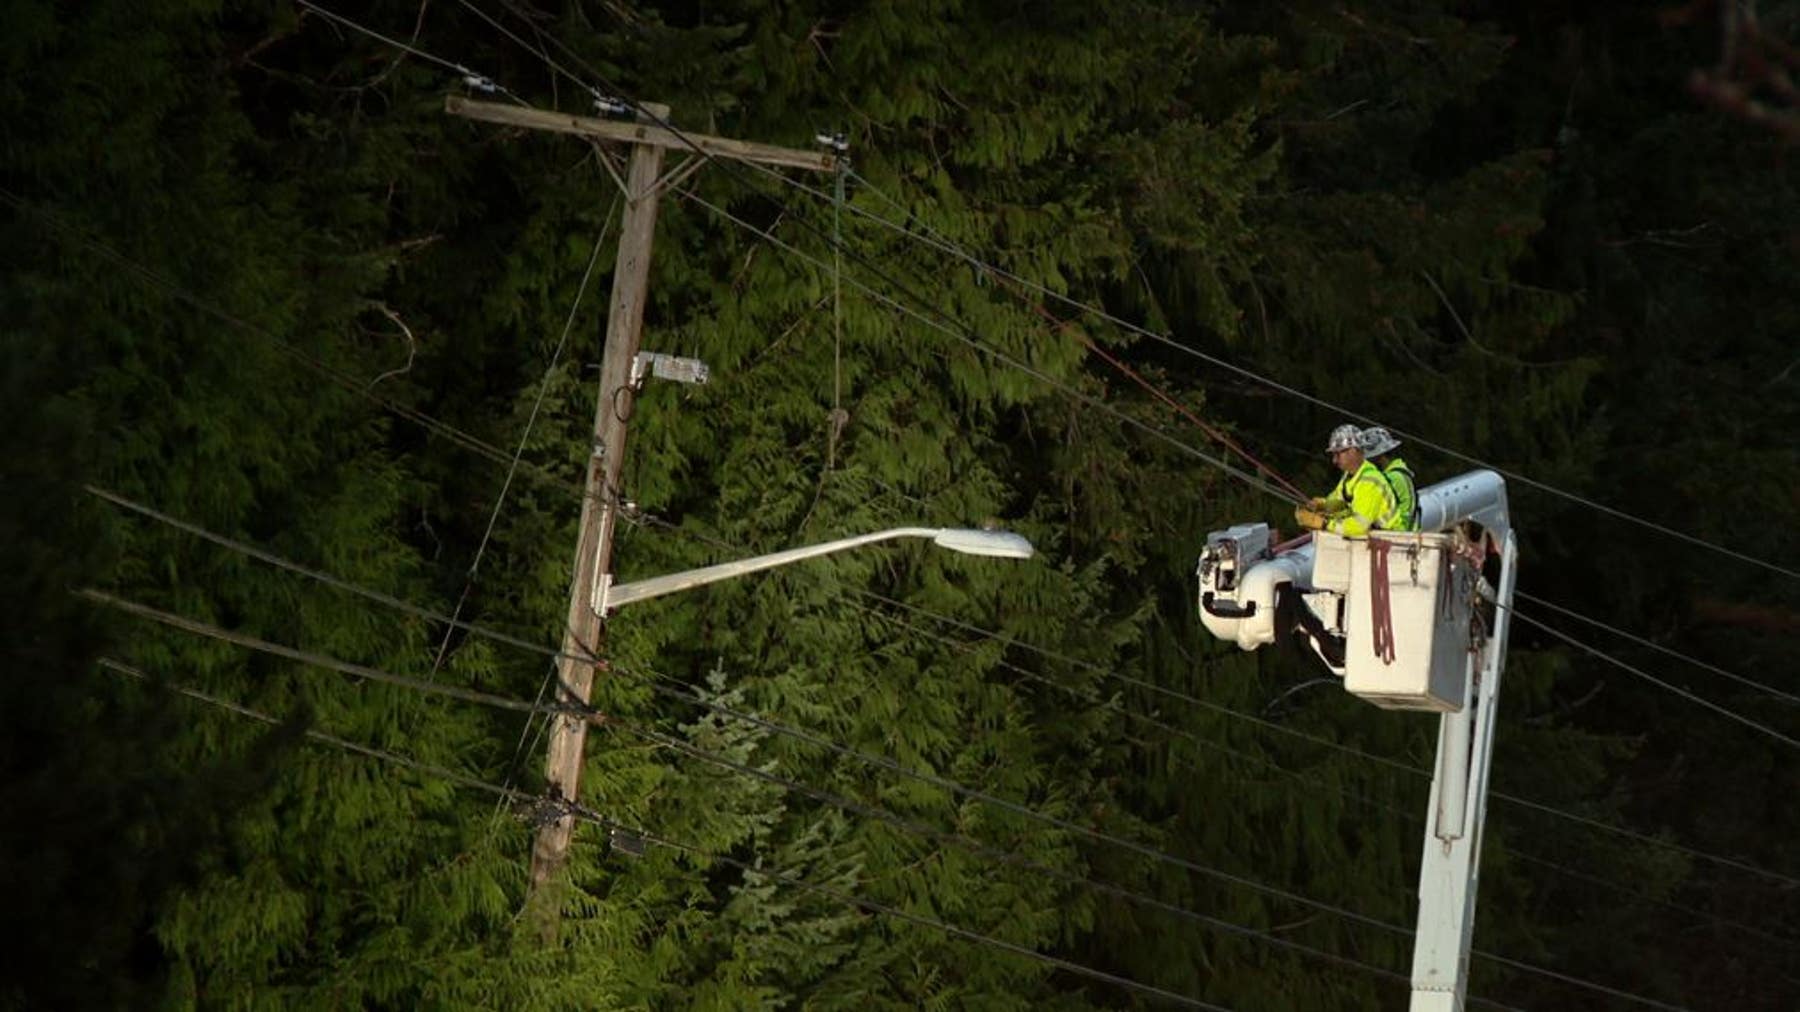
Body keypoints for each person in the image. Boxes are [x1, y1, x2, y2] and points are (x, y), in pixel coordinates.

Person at [1294, 423, 1395, 538]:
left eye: (1338, 454)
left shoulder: (1370, 481)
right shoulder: (1350, 476)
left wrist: (1324, 524)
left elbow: (1358, 527)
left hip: (1393, 541)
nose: (1334, 461)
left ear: (1353, 451)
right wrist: (1322, 505)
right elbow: (1338, 500)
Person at [1360, 426, 1417, 532]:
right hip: (1402, 534)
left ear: (1379, 455)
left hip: (1397, 535)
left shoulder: (1392, 478)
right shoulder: (1399, 473)